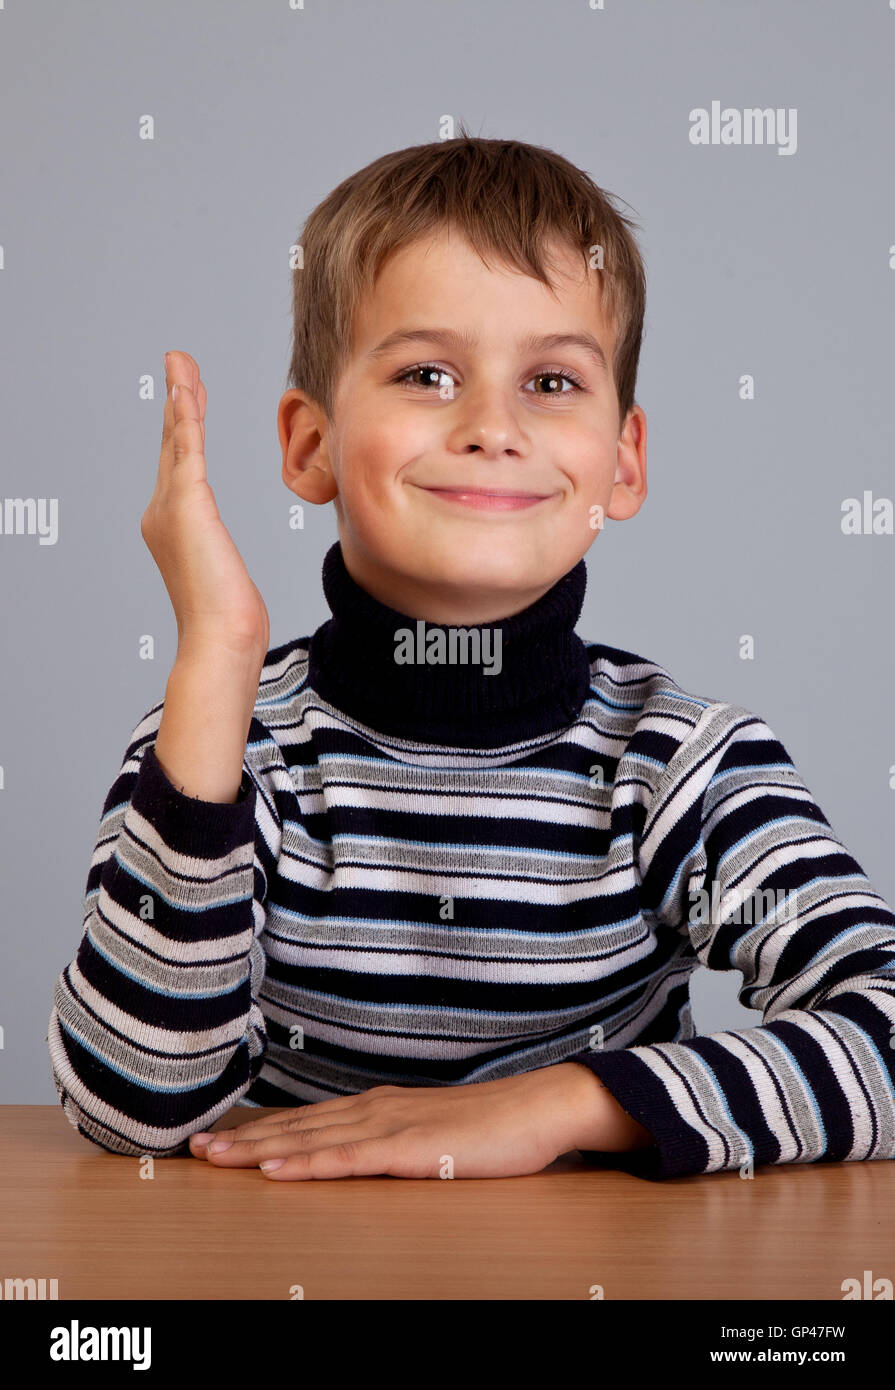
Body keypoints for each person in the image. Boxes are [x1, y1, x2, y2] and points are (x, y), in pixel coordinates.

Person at [47, 131, 895, 1182]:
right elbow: (129, 1110)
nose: (492, 425)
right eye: (428, 372)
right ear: (309, 446)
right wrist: (215, 658)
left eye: (550, 381)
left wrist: (560, 1105)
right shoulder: (226, 749)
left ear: (620, 462)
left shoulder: (680, 767)